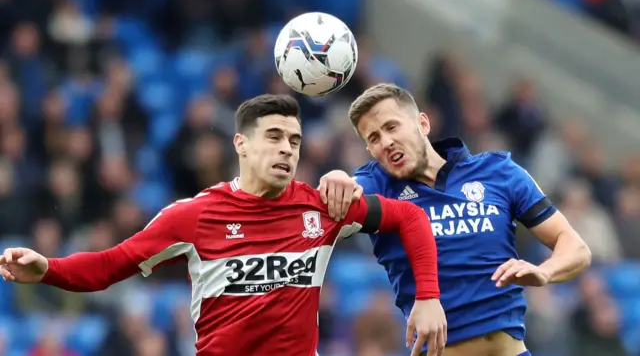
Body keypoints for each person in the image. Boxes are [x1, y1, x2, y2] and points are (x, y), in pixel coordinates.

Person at [0, 94, 447, 356]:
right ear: (242, 144)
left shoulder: (321, 209)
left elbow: (409, 215)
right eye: (273, 137)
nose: (287, 149)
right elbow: (107, 266)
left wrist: (428, 297)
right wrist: (49, 269)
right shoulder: (193, 215)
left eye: (294, 140)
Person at [317, 83, 592, 356]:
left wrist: (545, 272)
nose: (386, 142)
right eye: (374, 138)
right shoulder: (379, 185)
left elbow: (575, 247)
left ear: (422, 124)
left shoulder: (499, 172)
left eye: (391, 127)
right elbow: (331, 204)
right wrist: (336, 180)